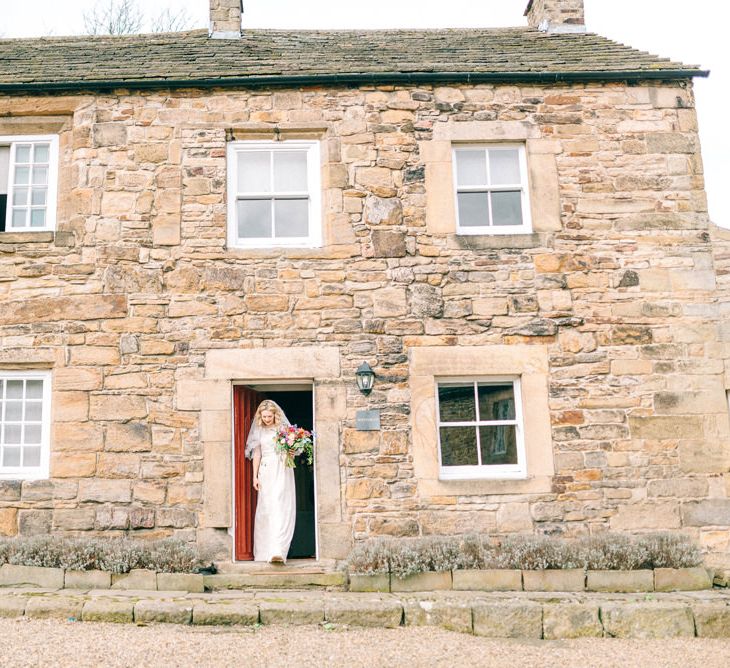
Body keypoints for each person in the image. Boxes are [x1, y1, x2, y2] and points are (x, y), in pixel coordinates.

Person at [245, 400, 296, 563]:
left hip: (282, 468)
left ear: (275, 414)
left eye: (269, 416)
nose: (267, 419)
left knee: (281, 506)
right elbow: (257, 454)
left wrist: (292, 452)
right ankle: (264, 552)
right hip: (266, 470)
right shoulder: (259, 430)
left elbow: (292, 451)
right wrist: (255, 476)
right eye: (264, 416)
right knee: (266, 509)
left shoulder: (283, 429)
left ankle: (278, 550)